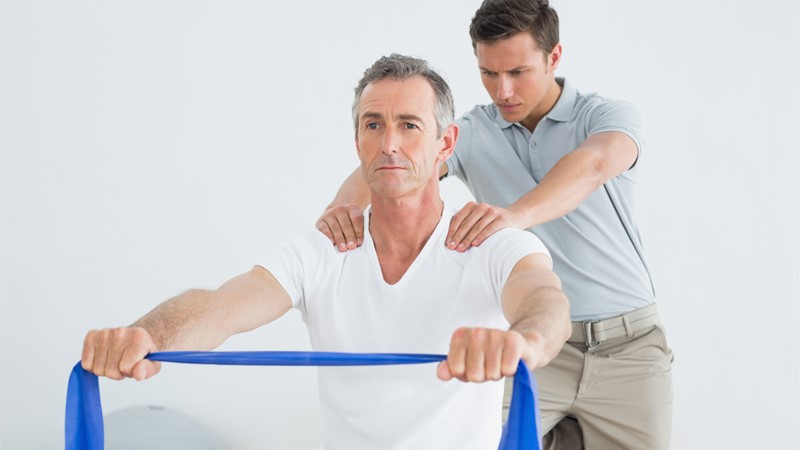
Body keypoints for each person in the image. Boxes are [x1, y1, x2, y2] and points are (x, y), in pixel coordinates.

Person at [81, 54, 571, 449]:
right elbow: (222, 306)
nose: (389, 144)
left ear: (446, 143)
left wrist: (523, 343)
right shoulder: (324, 251)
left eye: (409, 125)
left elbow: (544, 302)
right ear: (357, 140)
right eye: (373, 125)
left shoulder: (490, 242)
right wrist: (148, 334)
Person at [316, 1, 674, 449]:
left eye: (518, 72)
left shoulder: (605, 116)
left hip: (629, 348)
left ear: (554, 57)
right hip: (530, 344)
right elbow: (401, 162)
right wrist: (342, 211)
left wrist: (516, 215)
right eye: (488, 73)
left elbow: (595, 163)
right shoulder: (471, 132)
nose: (502, 90)